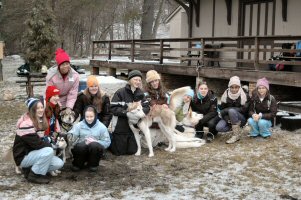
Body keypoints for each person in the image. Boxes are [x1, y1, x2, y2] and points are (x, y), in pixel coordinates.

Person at [13, 98, 64, 184]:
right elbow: (37, 144)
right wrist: (52, 146)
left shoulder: (39, 121)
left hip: (33, 154)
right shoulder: (26, 124)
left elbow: (41, 142)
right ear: (32, 110)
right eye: (37, 108)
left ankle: (30, 170)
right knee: (48, 151)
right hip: (23, 156)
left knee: (58, 163)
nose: (41, 110)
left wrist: (52, 143)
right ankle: (34, 175)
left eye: (41, 107)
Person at [110, 70, 150, 156]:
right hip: (121, 126)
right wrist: (126, 113)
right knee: (119, 152)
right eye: (135, 79)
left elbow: (147, 107)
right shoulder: (120, 92)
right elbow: (113, 108)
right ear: (130, 80)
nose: (138, 82)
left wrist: (141, 114)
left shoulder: (141, 93)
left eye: (139, 80)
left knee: (132, 151)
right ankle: (113, 139)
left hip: (133, 127)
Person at [68, 106, 111, 172]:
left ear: (95, 116)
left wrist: (96, 141)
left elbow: (107, 142)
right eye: (87, 117)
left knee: (94, 145)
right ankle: (78, 164)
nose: (89, 119)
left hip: (94, 152)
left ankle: (93, 165)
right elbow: (71, 139)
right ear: (84, 116)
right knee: (81, 146)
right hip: (81, 151)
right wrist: (83, 142)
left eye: (91, 116)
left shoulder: (102, 127)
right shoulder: (78, 125)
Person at [216, 76, 250, 144]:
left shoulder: (245, 96)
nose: (234, 89)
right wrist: (227, 119)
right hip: (228, 118)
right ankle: (235, 129)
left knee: (231, 111)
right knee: (219, 128)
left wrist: (228, 110)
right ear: (229, 87)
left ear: (239, 87)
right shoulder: (225, 95)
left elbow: (244, 110)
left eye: (236, 87)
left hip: (241, 118)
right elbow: (222, 110)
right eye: (232, 87)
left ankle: (236, 135)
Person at [46, 48, 79, 115]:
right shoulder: (51, 76)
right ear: (58, 66)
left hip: (67, 100)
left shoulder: (75, 76)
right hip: (54, 100)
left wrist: (69, 107)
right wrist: (59, 107)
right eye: (62, 64)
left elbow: (73, 93)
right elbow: (50, 94)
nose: (65, 66)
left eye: (67, 64)